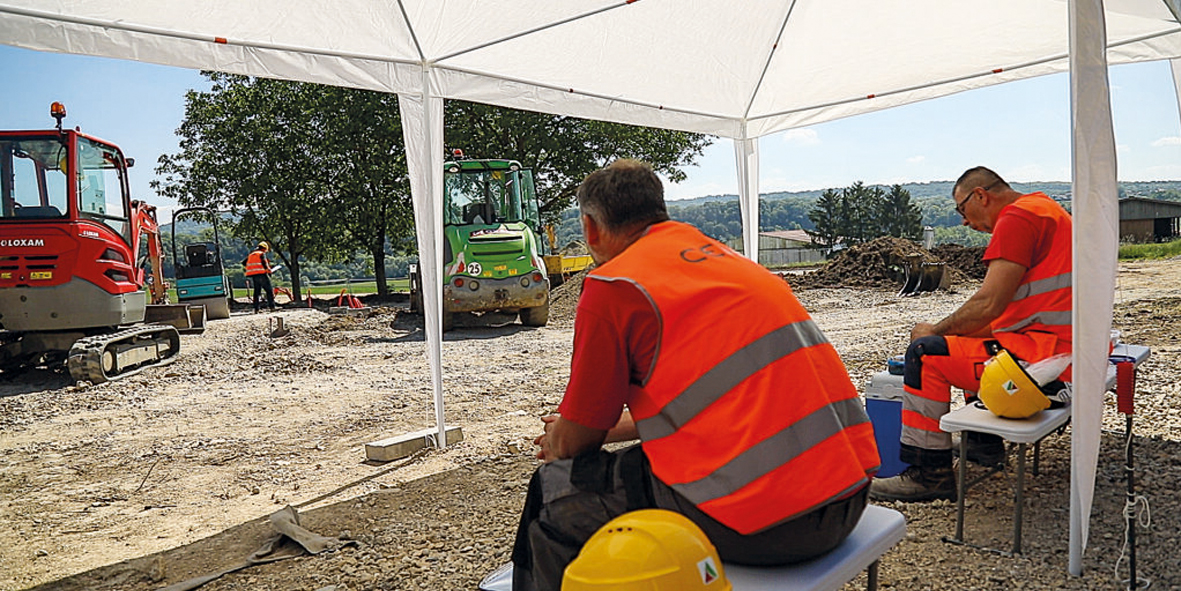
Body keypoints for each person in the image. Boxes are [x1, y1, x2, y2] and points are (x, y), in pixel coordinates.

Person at [511, 159, 880, 591]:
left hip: (769, 528)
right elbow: (705, 404)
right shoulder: (731, 263)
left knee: (555, 491)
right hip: (847, 498)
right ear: (659, 210)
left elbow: (577, 442)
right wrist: (609, 432)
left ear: (591, 230)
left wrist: (559, 440)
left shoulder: (614, 285)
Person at [869, 166, 1072, 502]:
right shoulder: (1047, 209)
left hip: (1043, 367)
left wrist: (932, 332)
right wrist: (953, 332)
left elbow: (988, 304)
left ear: (981, 195)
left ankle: (928, 474)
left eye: (962, 210)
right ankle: (982, 443)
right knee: (962, 343)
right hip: (1057, 349)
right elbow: (1003, 314)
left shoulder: (1017, 219)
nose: (964, 221)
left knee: (926, 354)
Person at [243, 241, 277, 313]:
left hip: (254, 275)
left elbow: (244, 263)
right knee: (269, 291)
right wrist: (268, 270)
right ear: (264, 248)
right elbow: (264, 263)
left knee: (257, 292)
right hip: (262, 274)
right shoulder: (261, 254)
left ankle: (256, 309)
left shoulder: (251, 255)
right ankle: (272, 307)